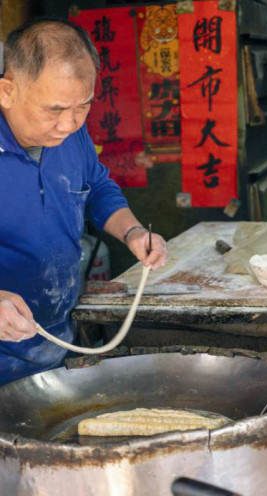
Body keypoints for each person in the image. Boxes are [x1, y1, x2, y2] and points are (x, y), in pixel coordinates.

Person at [0, 18, 168, 386]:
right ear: (7, 91)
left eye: (84, 107)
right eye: (55, 109)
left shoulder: (71, 136)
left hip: (54, 346)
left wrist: (133, 231)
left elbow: (97, 188)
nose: (70, 124)